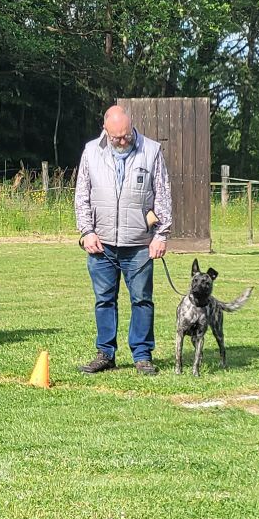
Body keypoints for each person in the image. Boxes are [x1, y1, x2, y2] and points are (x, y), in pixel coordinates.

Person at [75, 105, 172, 376]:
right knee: (104, 300)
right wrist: (87, 231)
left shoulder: (151, 151)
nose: (122, 140)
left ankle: (142, 355)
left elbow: (163, 194)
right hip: (101, 244)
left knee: (142, 300)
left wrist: (161, 235)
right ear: (105, 130)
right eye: (116, 136)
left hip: (140, 243)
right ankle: (105, 353)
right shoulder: (91, 152)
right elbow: (82, 195)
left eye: (126, 135)